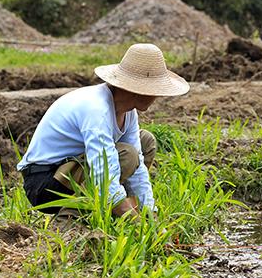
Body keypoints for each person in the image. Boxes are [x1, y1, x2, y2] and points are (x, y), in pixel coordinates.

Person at [17, 43, 189, 217]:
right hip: (44, 184)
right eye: (155, 89)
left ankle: (112, 210)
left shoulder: (128, 113)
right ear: (139, 90)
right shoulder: (97, 109)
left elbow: (138, 172)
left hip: (70, 170)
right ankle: (71, 217)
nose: (158, 96)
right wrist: (133, 220)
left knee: (145, 141)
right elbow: (104, 168)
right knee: (127, 155)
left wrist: (149, 213)